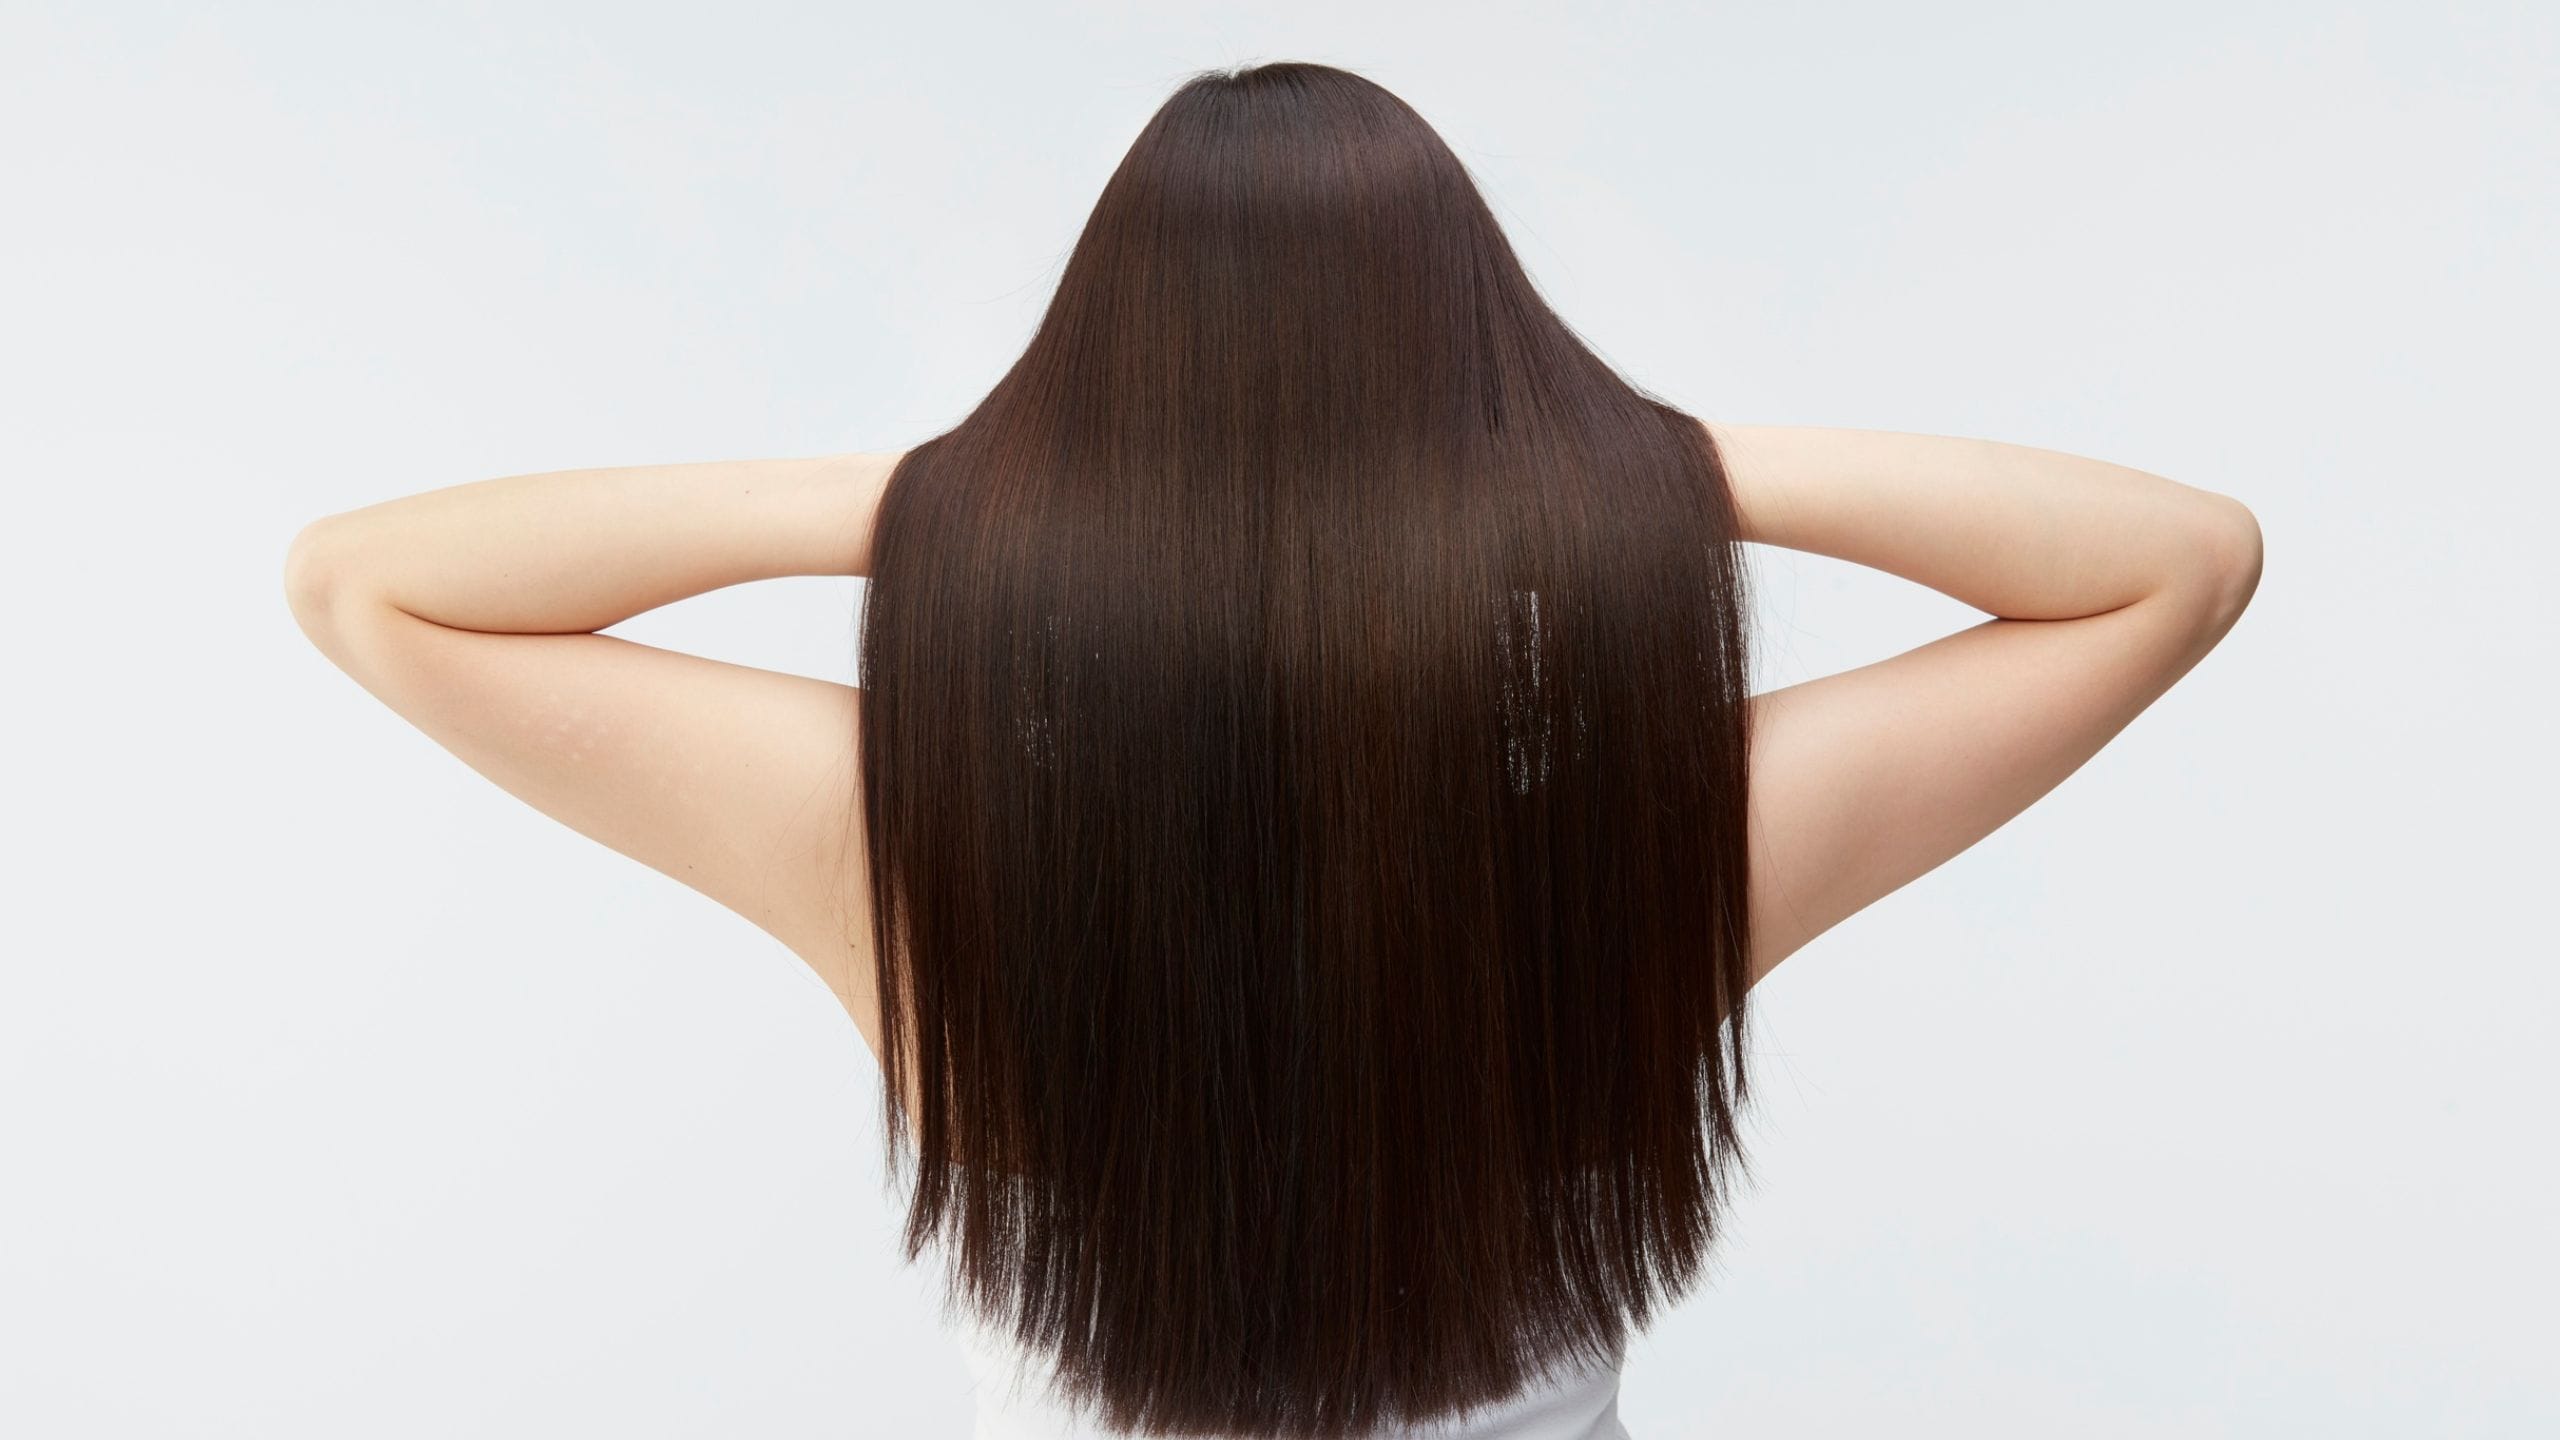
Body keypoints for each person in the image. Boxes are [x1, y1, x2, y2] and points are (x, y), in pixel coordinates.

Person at [283, 59, 2261, 1440]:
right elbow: (2173, 566)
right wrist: (1633, 472)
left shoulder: (901, 841)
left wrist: (953, 495)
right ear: (1485, 431)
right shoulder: (1654, 852)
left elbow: (371, 587)